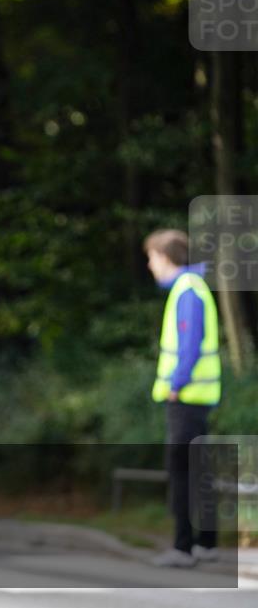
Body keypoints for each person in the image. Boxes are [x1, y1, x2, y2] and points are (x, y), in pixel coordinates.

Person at [143, 229, 221, 568]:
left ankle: (183, 547)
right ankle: (206, 543)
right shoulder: (193, 286)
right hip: (198, 397)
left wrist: (176, 384)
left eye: (151, 257)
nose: (150, 265)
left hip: (186, 397)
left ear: (164, 257)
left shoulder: (186, 290)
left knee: (181, 470)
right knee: (198, 468)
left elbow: (190, 345)